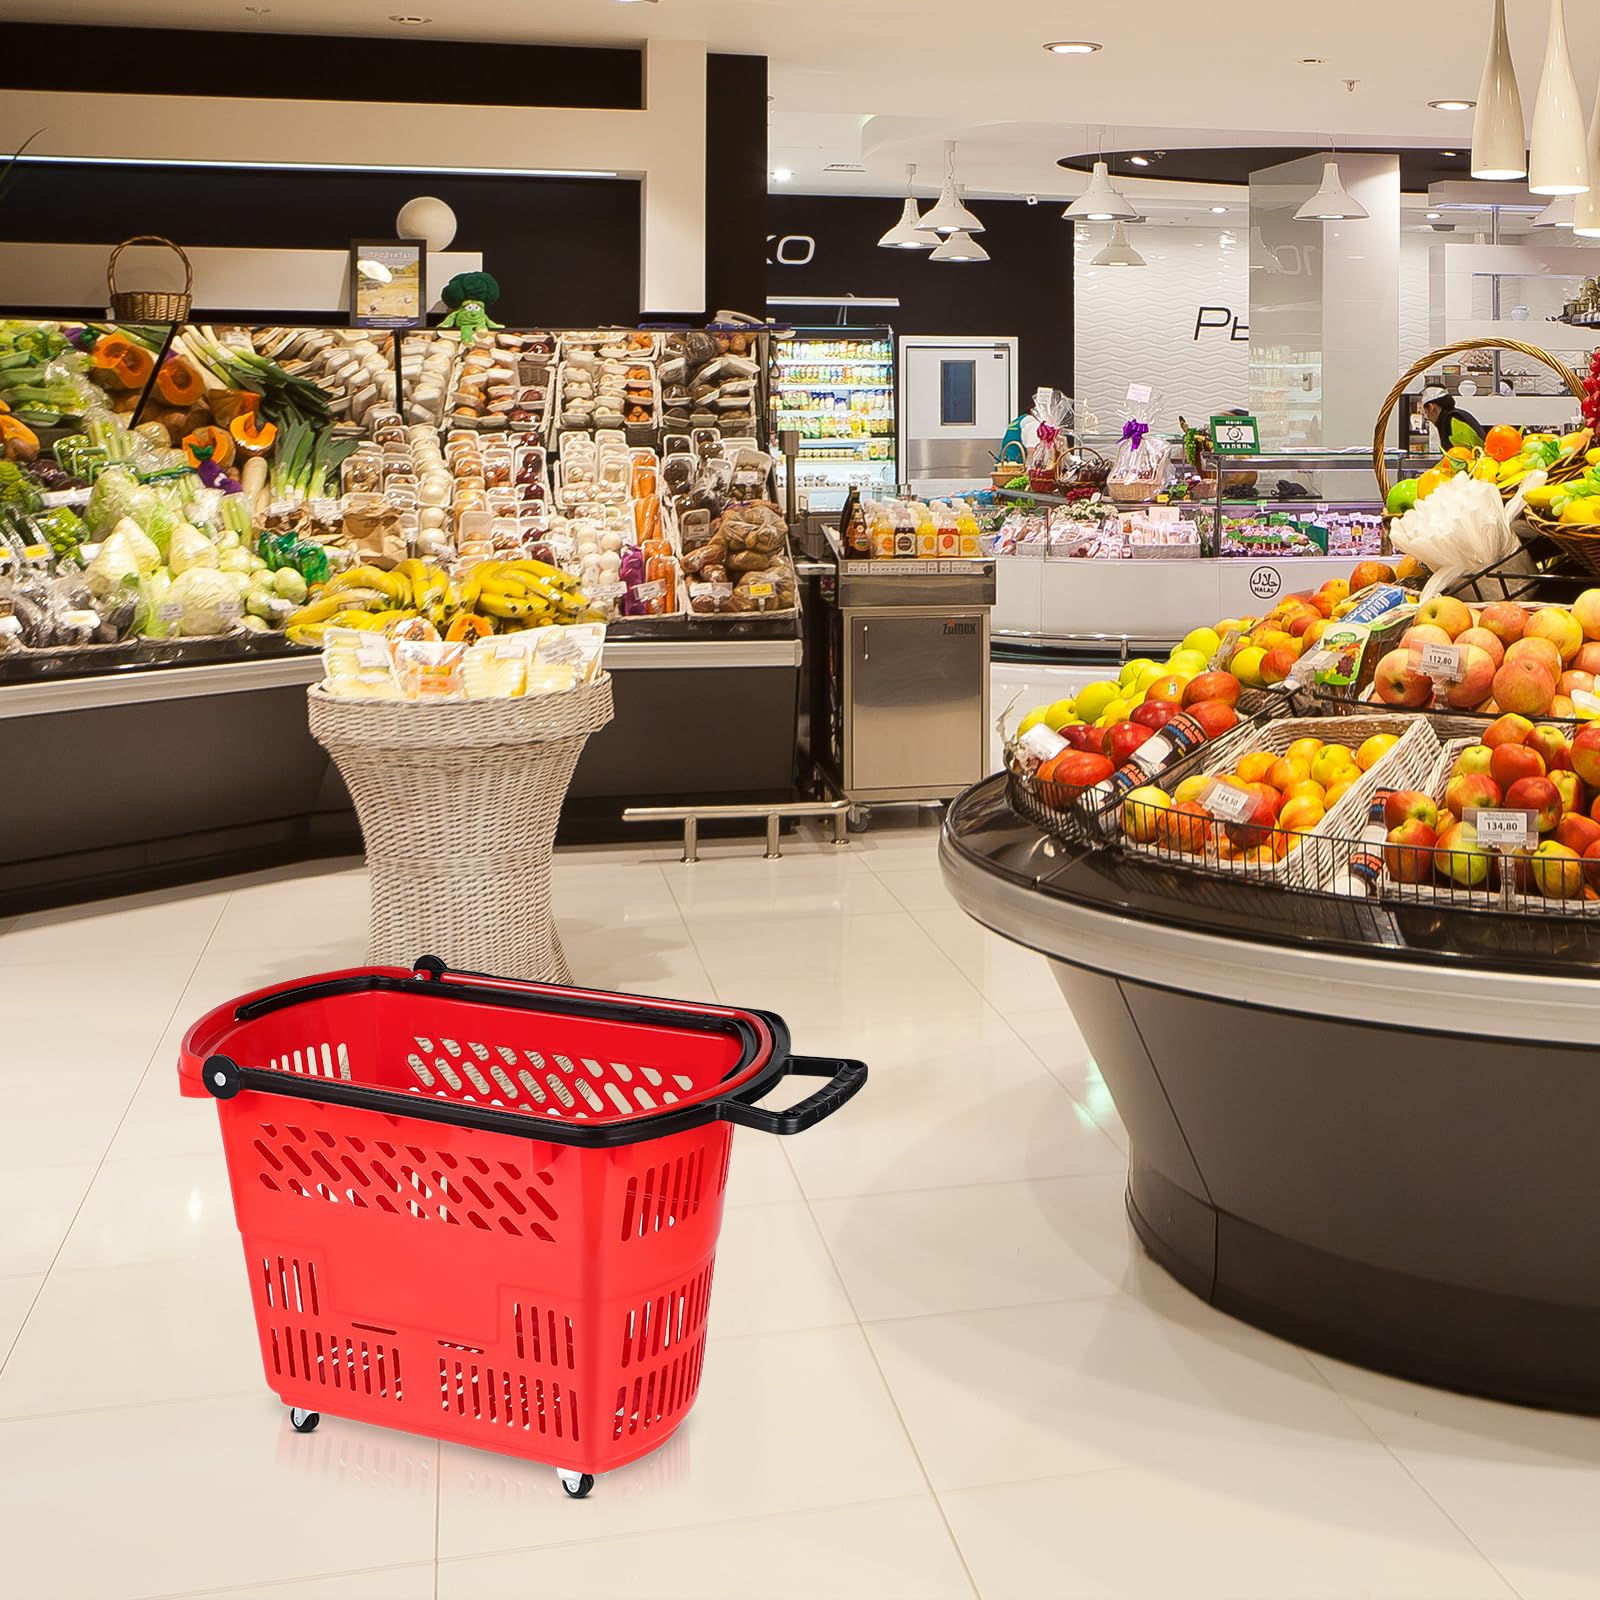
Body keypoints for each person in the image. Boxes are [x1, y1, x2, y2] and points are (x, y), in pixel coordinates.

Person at [1420, 384, 1485, 453]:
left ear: (1431, 407)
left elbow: (1463, 454)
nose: (1428, 418)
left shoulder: (1452, 420)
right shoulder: (1454, 416)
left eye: (1426, 413)